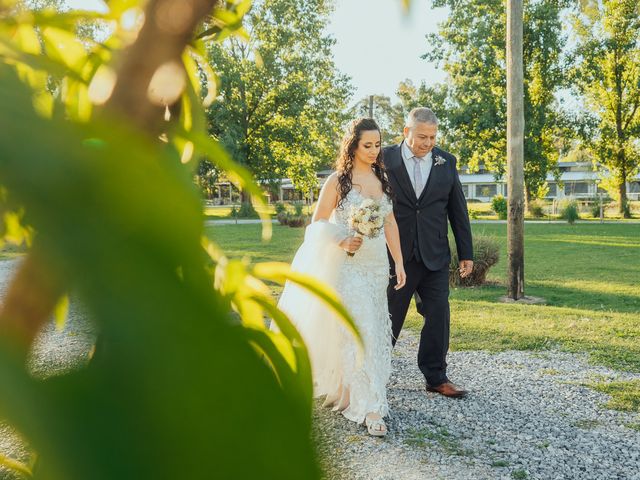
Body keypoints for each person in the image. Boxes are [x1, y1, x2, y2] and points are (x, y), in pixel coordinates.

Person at [276, 118, 406, 436]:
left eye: (377, 145)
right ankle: (369, 407)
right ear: (353, 145)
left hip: (376, 268)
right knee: (358, 329)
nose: (375, 151)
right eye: (368, 145)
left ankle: (353, 388)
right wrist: (342, 240)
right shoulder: (338, 181)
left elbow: (389, 224)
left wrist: (399, 263)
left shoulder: (381, 177)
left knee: (373, 328)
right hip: (348, 266)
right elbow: (317, 224)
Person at [383, 107, 473, 398]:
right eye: (422, 136)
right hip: (397, 256)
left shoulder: (446, 161)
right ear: (406, 132)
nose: (428, 142)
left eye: (433, 137)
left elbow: (458, 210)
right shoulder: (384, 158)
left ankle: (436, 376)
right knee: (388, 317)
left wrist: (466, 252)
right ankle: (375, 374)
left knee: (438, 315)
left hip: (435, 255)